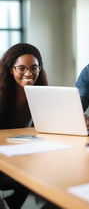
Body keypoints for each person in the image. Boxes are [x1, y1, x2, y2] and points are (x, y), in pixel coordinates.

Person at [0, 43, 48, 209]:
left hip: (21, 155)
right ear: (11, 69)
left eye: (34, 67)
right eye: (21, 68)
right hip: (3, 160)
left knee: (45, 173)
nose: (29, 73)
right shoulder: (2, 93)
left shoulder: (42, 94)